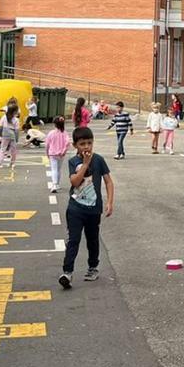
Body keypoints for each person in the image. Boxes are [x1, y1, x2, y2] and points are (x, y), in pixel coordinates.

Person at [58, 127, 114, 289]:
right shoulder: (73, 162)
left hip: (93, 208)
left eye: (89, 143)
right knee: (74, 239)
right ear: (75, 145)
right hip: (76, 208)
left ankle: (93, 266)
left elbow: (108, 181)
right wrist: (85, 164)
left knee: (92, 239)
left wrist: (110, 202)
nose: (87, 147)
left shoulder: (99, 160)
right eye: (82, 144)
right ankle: (67, 272)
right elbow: (74, 182)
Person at [44, 115, 70, 193]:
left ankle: (54, 184)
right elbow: (68, 142)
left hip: (52, 154)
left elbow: (47, 144)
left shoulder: (51, 133)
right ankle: (57, 184)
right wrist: (64, 151)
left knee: (54, 169)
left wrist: (47, 153)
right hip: (61, 154)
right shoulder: (64, 133)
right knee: (58, 169)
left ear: (54, 124)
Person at [0, 104, 20, 170]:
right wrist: (17, 138)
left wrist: (0, 133)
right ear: (15, 112)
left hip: (5, 133)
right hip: (12, 134)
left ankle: (0, 163)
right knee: (13, 150)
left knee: (3, 149)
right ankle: (12, 163)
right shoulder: (16, 119)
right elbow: (17, 130)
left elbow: (0, 127)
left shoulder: (4, 117)